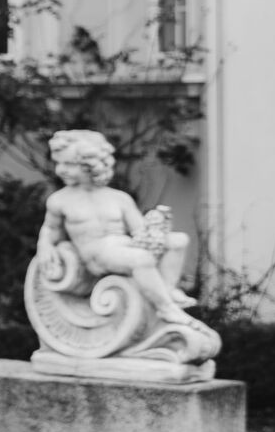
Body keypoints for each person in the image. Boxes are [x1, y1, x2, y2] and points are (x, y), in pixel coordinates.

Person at [37, 128, 195, 322]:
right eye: (59, 163)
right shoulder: (60, 200)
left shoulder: (119, 198)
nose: (60, 170)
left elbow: (139, 232)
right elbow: (51, 229)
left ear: (90, 166)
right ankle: (165, 308)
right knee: (141, 259)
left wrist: (156, 227)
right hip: (97, 254)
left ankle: (167, 290)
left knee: (179, 240)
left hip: (124, 246)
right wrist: (44, 246)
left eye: (68, 164)